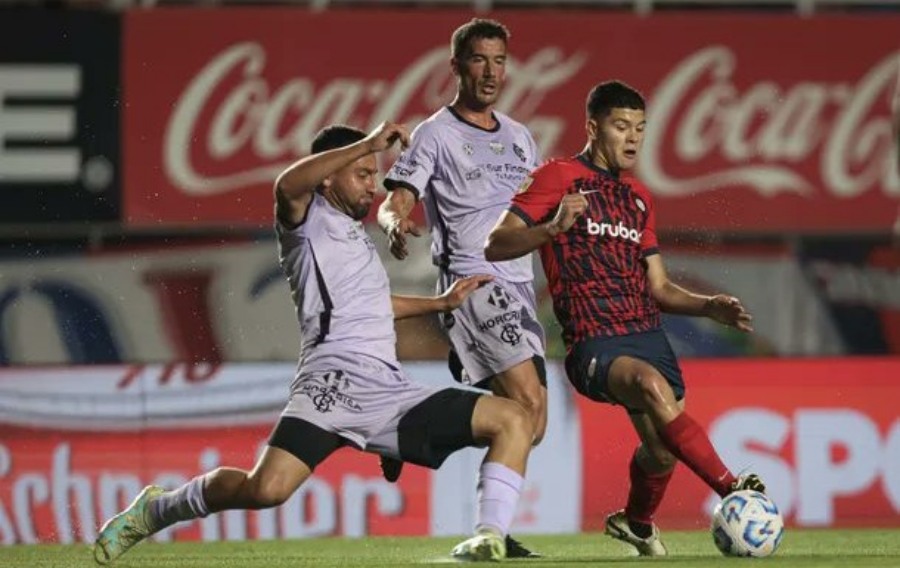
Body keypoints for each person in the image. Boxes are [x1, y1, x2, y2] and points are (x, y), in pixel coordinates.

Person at [92, 122, 535, 564]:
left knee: (513, 419)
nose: (372, 187)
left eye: (372, 175)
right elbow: (287, 184)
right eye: (362, 174)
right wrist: (367, 144)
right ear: (329, 174)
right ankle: (157, 509)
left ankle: (488, 537)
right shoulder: (305, 218)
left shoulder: (357, 237)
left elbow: (370, 304)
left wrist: (440, 303)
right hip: (329, 385)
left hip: (387, 392)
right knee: (265, 489)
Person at [484, 80, 766, 556]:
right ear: (593, 128)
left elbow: (658, 288)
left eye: (640, 128)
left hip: (646, 334)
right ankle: (733, 489)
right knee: (651, 386)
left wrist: (706, 306)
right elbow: (496, 242)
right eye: (621, 126)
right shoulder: (557, 177)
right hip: (594, 341)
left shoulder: (638, 198)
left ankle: (637, 522)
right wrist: (552, 229)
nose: (633, 137)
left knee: (659, 450)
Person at [378, 19, 546, 558]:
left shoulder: (521, 137)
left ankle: (414, 425)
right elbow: (399, 196)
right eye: (479, 60)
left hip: (520, 288)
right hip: (473, 281)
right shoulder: (436, 133)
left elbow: (532, 214)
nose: (491, 72)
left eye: (499, 60)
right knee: (526, 401)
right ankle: (488, 534)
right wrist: (391, 221)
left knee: (529, 424)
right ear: (456, 67)